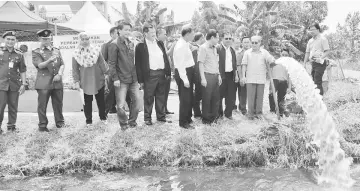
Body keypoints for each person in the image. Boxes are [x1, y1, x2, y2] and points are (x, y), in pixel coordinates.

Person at [135, 24, 172, 125]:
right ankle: (147, 118)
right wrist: (140, 80)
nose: (153, 34)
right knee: (149, 97)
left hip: (161, 73)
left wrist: (168, 72)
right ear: (145, 33)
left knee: (161, 96)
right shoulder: (140, 45)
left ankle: (161, 116)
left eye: (154, 33)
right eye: (151, 33)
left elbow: (165, 58)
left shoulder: (159, 43)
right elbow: (138, 64)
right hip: (150, 74)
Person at [108, 21, 141, 130]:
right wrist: (115, 78)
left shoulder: (131, 43)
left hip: (133, 78)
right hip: (121, 80)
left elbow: (134, 60)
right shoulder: (114, 44)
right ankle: (124, 124)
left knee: (137, 101)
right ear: (119, 30)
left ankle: (132, 121)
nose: (128, 32)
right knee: (120, 105)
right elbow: (111, 64)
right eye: (125, 29)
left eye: (129, 30)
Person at [72, 32, 109, 126]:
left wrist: (107, 73)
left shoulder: (96, 50)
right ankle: (89, 121)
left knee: (101, 100)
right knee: (87, 102)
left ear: (89, 39)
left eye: (87, 39)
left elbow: (102, 63)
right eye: (82, 39)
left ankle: (103, 118)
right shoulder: (76, 53)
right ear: (79, 40)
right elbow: (75, 69)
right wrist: (76, 81)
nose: (85, 41)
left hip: (98, 78)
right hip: (85, 80)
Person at [32, 29, 65, 132]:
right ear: (39, 39)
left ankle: (60, 122)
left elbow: (62, 64)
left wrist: (59, 74)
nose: (46, 40)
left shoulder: (56, 50)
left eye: (48, 38)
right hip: (44, 82)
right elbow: (40, 65)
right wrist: (50, 60)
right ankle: (42, 125)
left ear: (51, 38)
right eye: (44, 39)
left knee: (58, 103)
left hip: (57, 81)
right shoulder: (36, 52)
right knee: (42, 105)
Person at [241, 36, 275, 120]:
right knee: (251, 97)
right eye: (252, 42)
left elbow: (271, 59)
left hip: (261, 78)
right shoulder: (247, 53)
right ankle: (250, 115)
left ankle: (259, 114)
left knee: (259, 97)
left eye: (256, 43)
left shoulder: (264, 52)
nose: (254, 44)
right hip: (250, 78)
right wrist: (243, 76)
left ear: (260, 43)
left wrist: (272, 60)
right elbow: (244, 65)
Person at [0, 31, 27, 134]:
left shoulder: (19, 54)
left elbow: (22, 70)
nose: (10, 41)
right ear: (4, 40)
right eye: (8, 39)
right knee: (0, 106)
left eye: (12, 39)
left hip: (14, 85)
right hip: (1, 84)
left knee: (13, 106)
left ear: (16, 41)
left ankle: (11, 126)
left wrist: (24, 84)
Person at [173, 25, 196, 129]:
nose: (194, 35)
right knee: (185, 99)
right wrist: (185, 79)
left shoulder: (185, 43)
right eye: (192, 33)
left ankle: (188, 118)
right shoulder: (180, 45)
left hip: (188, 71)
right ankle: (183, 122)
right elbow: (180, 64)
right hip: (184, 73)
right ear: (187, 34)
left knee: (189, 97)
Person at [198, 29, 221, 124]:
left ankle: (214, 118)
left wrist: (219, 75)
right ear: (212, 37)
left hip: (215, 76)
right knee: (207, 98)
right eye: (217, 38)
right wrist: (203, 78)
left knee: (215, 98)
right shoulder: (203, 48)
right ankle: (206, 119)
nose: (218, 40)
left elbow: (216, 62)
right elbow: (200, 63)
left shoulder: (215, 48)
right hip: (207, 76)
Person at [303, 23, 330, 96]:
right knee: (314, 81)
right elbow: (307, 53)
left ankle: (320, 100)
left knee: (317, 81)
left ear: (318, 30)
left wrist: (320, 58)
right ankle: (316, 99)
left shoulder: (323, 39)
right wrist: (304, 63)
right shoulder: (310, 41)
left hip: (321, 63)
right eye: (310, 30)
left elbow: (327, 51)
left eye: (313, 30)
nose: (311, 31)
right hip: (313, 63)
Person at [217, 32, 238, 120]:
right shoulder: (218, 48)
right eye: (226, 38)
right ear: (222, 39)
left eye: (230, 38)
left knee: (231, 96)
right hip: (221, 75)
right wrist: (218, 75)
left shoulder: (232, 50)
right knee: (219, 95)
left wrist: (236, 75)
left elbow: (235, 64)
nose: (228, 40)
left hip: (231, 75)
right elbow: (216, 63)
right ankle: (219, 114)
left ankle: (228, 114)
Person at [269, 48, 292, 117]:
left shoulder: (289, 64)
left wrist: (289, 87)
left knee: (281, 98)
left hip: (284, 82)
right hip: (274, 80)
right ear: (280, 54)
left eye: (286, 55)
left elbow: (289, 76)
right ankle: (272, 110)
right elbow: (269, 69)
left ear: (288, 55)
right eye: (283, 54)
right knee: (271, 95)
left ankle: (280, 112)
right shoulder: (275, 62)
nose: (284, 56)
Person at [156, 28, 174, 115]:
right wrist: (173, 45)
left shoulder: (163, 44)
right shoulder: (157, 44)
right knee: (162, 93)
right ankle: (161, 111)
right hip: (162, 73)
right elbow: (166, 55)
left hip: (167, 72)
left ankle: (165, 108)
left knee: (166, 92)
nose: (166, 36)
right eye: (164, 34)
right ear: (158, 35)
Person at [103, 27, 118, 115]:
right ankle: (104, 112)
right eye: (116, 33)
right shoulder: (106, 45)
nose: (118, 35)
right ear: (112, 34)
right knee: (109, 93)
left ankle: (113, 108)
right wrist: (106, 73)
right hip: (111, 72)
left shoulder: (122, 44)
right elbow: (104, 60)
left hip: (121, 72)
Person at [191, 32, 205, 118]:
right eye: (203, 38)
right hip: (197, 75)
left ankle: (198, 111)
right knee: (197, 94)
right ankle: (197, 112)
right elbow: (196, 64)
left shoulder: (198, 48)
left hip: (198, 75)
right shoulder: (195, 49)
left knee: (198, 94)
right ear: (200, 39)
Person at [236, 36, 251, 115]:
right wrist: (241, 77)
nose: (246, 44)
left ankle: (246, 107)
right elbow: (238, 66)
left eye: (248, 42)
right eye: (245, 42)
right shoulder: (240, 53)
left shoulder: (252, 53)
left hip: (251, 76)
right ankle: (243, 109)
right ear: (242, 43)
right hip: (243, 75)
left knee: (249, 93)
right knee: (243, 93)